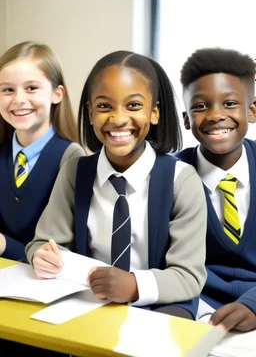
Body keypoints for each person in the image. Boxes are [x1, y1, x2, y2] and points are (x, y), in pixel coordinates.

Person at [25, 50, 207, 320]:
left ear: (154, 112)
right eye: (104, 106)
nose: (118, 119)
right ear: (90, 113)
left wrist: (134, 285)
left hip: (160, 304)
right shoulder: (75, 171)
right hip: (88, 301)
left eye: (133, 105)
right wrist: (40, 255)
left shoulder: (182, 180)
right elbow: (44, 242)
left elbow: (188, 275)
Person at [176, 47, 256, 332]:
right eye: (200, 106)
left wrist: (253, 305)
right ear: (186, 118)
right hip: (195, 310)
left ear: (252, 110)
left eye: (230, 103)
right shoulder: (170, 176)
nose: (215, 115)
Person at [0, 41, 85, 262]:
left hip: (45, 286)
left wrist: (4, 245)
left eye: (31, 88)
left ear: (57, 94)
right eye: (8, 89)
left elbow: (65, 254)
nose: (18, 99)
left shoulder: (71, 158)